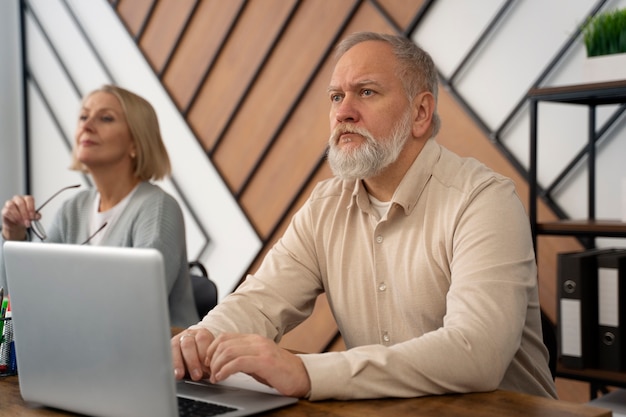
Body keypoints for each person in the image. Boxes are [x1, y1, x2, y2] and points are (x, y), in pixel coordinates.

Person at [172, 32, 558, 400]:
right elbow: (259, 303)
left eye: (366, 92)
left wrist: (307, 373)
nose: (343, 112)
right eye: (336, 96)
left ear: (420, 113)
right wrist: (200, 339)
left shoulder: (483, 199)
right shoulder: (325, 206)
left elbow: (477, 352)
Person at [0, 84, 199, 328]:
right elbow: (21, 299)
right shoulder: (73, 208)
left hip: (157, 361)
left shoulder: (157, 209)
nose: (87, 125)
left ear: (136, 143)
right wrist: (14, 235)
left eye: (105, 118)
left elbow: (136, 307)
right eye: (83, 116)